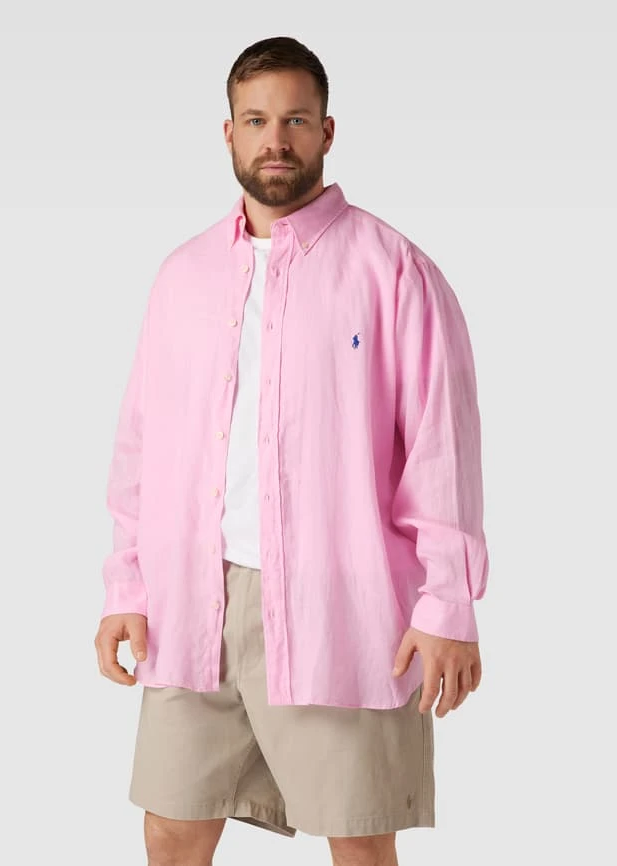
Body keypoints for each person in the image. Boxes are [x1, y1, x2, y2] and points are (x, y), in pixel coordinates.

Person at [94, 35, 490, 866]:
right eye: (256, 120)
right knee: (170, 828)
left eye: (295, 120)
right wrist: (126, 586)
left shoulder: (394, 272)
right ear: (229, 133)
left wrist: (447, 608)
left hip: (342, 604)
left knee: (359, 837)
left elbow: (441, 452)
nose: (275, 139)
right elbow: (140, 448)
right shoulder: (182, 276)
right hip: (192, 604)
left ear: (327, 131)